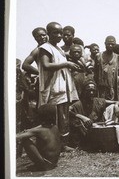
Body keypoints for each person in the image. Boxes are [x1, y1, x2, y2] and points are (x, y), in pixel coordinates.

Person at [38, 22, 79, 151]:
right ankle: (53, 145)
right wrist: (66, 64)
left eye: (61, 32)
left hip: (62, 87)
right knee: (53, 117)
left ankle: (63, 144)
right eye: (56, 32)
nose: (60, 35)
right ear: (48, 33)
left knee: (63, 117)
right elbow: (46, 65)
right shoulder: (46, 47)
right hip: (53, 88)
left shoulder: (59, 49)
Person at [69, 80, 119, 147]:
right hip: (85, 131)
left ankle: (111, 134)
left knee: (112, 107)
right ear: (84, 91)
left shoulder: (98, 101)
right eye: (89, 90)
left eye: (93, 90)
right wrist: (81, 117)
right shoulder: (79, 104)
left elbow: (116, 102)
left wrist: (116, 106)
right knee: (74, 119)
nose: (91, 92)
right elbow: (67, 110)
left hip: (98, 128)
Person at [16, 104, 61, 171]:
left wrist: (23, 133)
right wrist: (30, 130)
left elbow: (17, 137)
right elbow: (40, 126)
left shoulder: (39, 131)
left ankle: (39, 165)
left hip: (46, 165)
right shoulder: (55, 127)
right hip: (53, 163)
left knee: (24, 140)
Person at [96, 36, 119, 101]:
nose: (110, 45)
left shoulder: (117, 57)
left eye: (112, 44)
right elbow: (95, 73)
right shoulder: (98, 56)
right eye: (108, 43)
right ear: (105, 43)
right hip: (101, 89)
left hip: (114, 89)